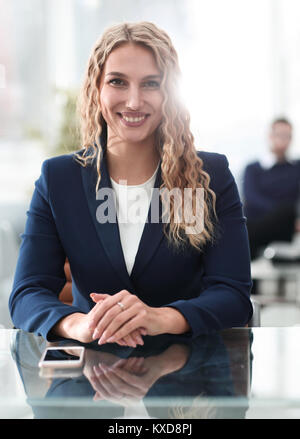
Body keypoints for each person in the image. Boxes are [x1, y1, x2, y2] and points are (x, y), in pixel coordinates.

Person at [9, 21, 252, 347]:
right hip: (92, 377)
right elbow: (27, 292)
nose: (134, 101)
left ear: (170, 93)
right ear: (97, 88)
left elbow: (233, 294)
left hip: (186, 380)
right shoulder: (59, 179)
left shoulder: (207, 176)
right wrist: (78, 324)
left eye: (151, 83)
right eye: (118, 82)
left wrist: (159, 317)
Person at [243, 118, 300, 260]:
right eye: (279, 134)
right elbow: (251, 198)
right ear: (270, 136)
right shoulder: (253, 168)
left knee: (288, 210)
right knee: (285, 211)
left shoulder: (297, 167)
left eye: (287, 136)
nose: (283, 139)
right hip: (261, 222)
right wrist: (280, 214)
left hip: (289, 226)